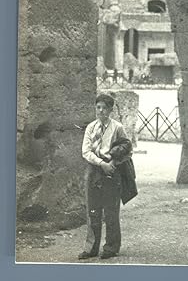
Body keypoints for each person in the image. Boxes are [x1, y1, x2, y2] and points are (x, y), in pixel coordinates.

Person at [78, 93, 137, 260]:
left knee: (111, 211)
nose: (101, 111)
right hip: (94, 170)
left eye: (104, 108)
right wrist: (100, 163)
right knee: (93, 210)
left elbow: (127, 149)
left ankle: (111, 247)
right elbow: (86, 151)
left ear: (111, 110)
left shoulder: (117, 128)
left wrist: (112, 162)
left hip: (111, 170)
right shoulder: (91, 128)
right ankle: (91, 248)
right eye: (98, 107)